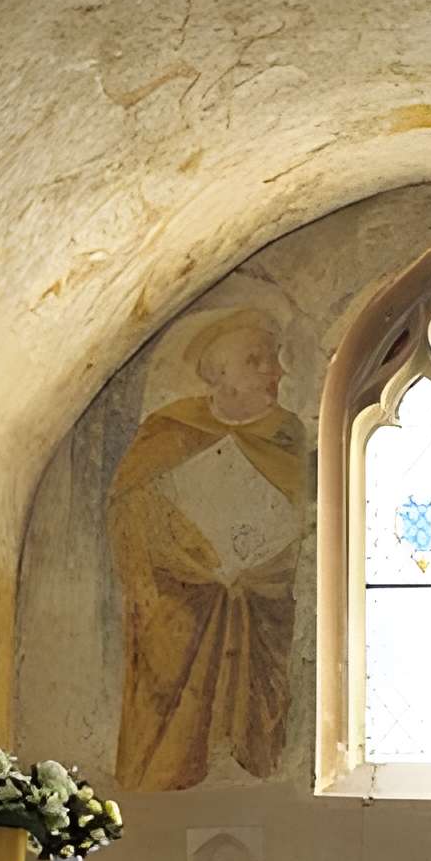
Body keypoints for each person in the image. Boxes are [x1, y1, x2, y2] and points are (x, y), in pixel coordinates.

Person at [108, 308, 305, 791]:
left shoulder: (289, 434)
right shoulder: (170, 428)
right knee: (169, 723)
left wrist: (256, 565)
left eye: (273, 359)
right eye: (255, 360)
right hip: (179, 598)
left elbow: (301, 523)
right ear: (220, 372)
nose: (274, 371)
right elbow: (131, 506)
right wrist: (187, 554)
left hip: (257, 599)